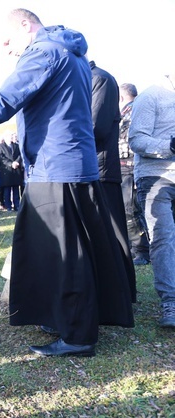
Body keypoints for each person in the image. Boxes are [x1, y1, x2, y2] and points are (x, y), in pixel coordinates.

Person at [0, 8, 134, 357]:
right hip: (70, 165)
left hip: (56, 168)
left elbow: (3, 101)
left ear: (26, 25)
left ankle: (78, 336)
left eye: (7, 40)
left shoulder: (44, 52)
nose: (6, 49)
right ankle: (63, 318)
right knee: (65, 249)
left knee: (65, 254)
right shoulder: (73, 54)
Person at [128, 69, 175, 328]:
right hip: (156, 178)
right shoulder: (150, 96)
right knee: (163, 238)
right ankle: (171, 301)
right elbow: (136, 139)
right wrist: (170, 145)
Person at [89, 60, 137, 300]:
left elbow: (96, 128)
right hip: (89, 168)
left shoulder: (100, 79)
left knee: (115, 231)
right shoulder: (82, 80)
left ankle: (123, 292)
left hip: (102, 169)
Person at [118, 83, 151, 265]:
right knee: (132, 209)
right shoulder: (137, 111)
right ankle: (136, 248)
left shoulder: (129, 113)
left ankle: (141, 251)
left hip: (128, 168)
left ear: (121, 97)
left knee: (130, 209)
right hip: (131, 167)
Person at [0, 131, 23, 211]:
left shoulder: (16, 146)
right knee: (7, 190)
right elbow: (1, 158)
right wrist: (11, 164)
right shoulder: (0, 146)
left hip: (16, 170)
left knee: (16, 189)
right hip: (6, 171)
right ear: (5, 137)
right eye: (9, 136)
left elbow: (20, 155)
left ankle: (17, 205)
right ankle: (8, 206)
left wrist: (17, 162)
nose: (11, 137)